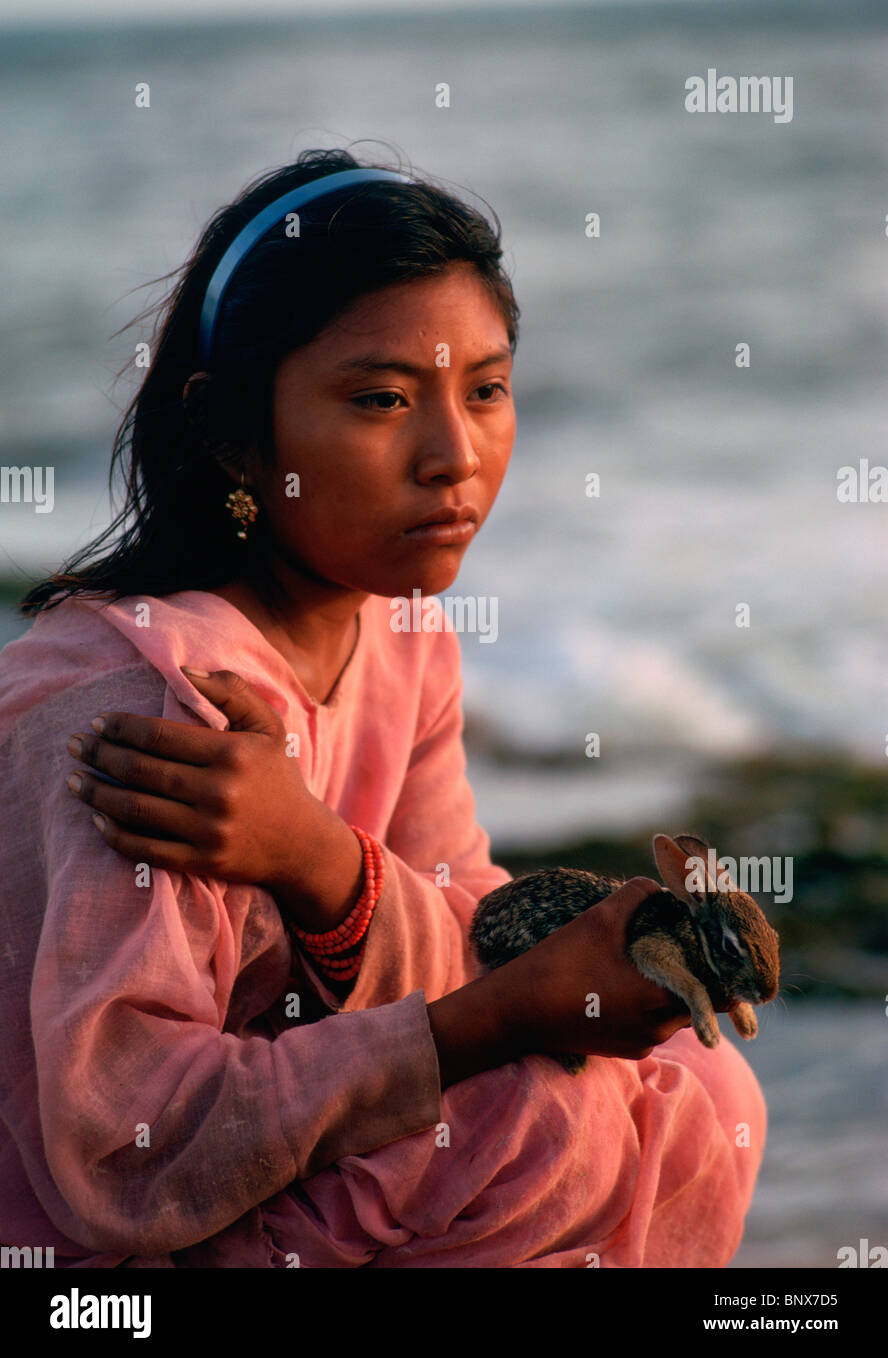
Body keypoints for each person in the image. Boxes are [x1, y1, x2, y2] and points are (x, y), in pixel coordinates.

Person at [0, 147, 766, 1267]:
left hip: (291, 1151)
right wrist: (485, 1021)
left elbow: (454, 916)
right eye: (380, 401)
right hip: (103, 1253)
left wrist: (331, 870)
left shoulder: (402, 632)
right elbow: (126, 1144)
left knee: (696, 1083)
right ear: (232, 436)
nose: (455, 456)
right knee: (535, 1125)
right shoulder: (142, 717)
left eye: (487, 390)